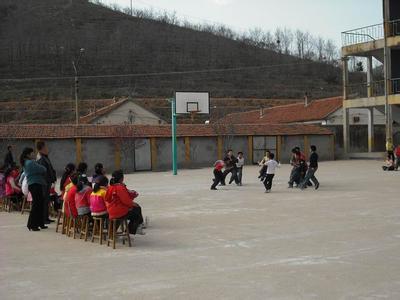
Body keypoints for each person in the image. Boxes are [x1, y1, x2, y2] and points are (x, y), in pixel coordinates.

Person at [105, 170, 145, 235]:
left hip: (111, 211)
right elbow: (126, 201)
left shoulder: (110, 187)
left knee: (133, 209)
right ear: (122, 179)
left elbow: (107, 199)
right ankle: (129, 232)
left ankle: (121, 231)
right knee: (136, 212)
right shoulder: (120, 187)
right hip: (119, 212)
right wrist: (132, 204)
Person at [20, 147, 47, 231]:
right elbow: (43, 169)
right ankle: (33, 224)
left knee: (39, 204)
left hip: (33, 184)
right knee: (37, 205)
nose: (34, 154)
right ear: (28, 154)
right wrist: (37, 163)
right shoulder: (31, 163)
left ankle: (39, 223)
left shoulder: (26, 162)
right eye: (32, 153)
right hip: (35, 184)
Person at [36, 141, 56, 224]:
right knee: (44, 200)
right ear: (43, 148)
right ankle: (43, 218)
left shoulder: (44, 157)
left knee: (47, 200)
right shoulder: (40, 158)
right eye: (46, 147)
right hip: (44, 182)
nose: (47, 148)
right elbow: (42, 171)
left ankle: (46, 217)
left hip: (48, 181)